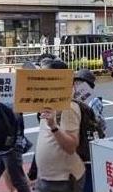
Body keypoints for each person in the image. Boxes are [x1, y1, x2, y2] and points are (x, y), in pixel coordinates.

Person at [35, 60, 86, 192]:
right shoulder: (48, 103)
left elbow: (71, 146)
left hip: (62, 181)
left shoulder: (68, 107)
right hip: (47, 178)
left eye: (46, 77)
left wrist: (53, 126)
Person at [73, 69, 105, 192]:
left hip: (89, 140)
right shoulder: (75, 99)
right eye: (76, 82)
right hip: (80, 138)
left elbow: (96, 121)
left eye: (81, 82)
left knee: (89, 169)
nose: (77, 85)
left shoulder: (94, 100)